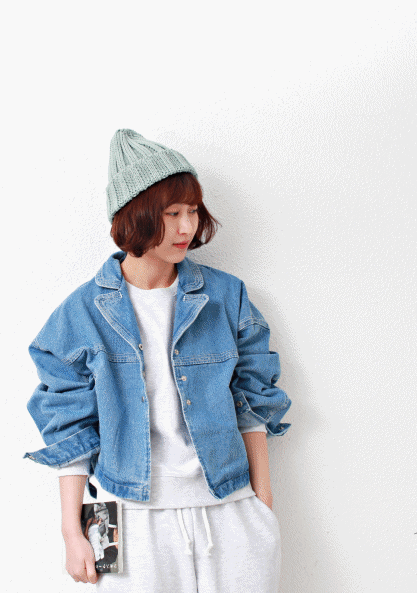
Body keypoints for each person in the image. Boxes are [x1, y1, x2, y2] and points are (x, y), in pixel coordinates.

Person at [24, 129, 292, 592]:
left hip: (229, 506)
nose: (187, 227)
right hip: (122, 512)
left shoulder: (226, 296)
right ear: (135, 216)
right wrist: (72, 532)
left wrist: (261, 502)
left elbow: (252, 400)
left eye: (193, 210)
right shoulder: (82, 313)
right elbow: (69, 426)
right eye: (172, 214)